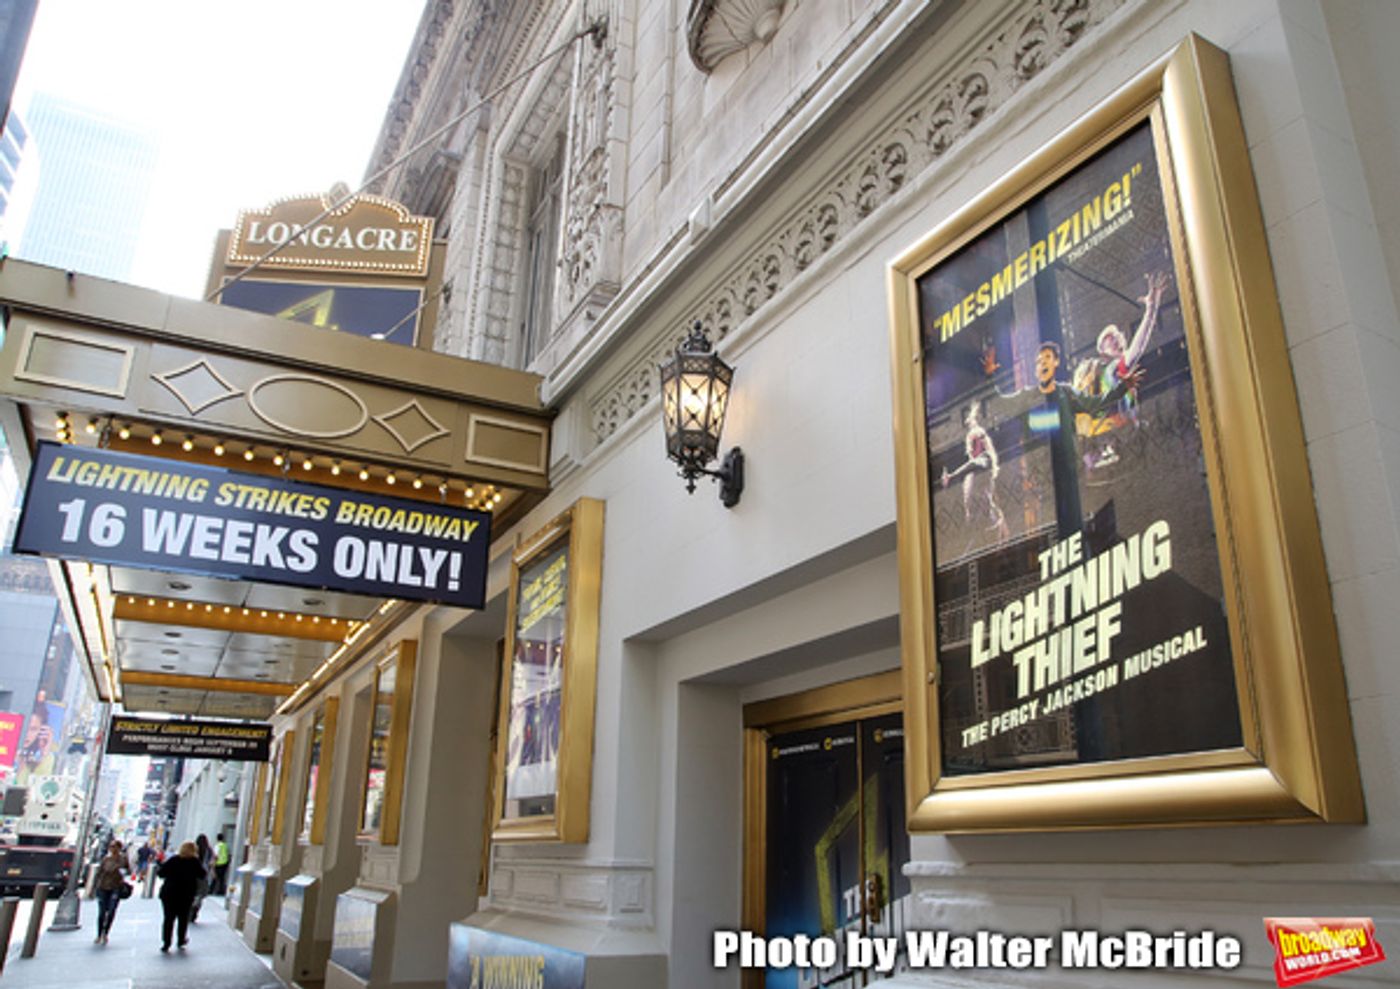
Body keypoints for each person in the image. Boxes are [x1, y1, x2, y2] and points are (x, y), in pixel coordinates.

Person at [940, 398, 1010, 551]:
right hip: (979, 518)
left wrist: (951, 476)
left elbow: (973, 463)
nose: (969, 450)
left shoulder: (984, 459)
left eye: (972, 444)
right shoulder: (977, 466)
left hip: (986, 518)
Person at [157, 841, 205, 952]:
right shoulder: (194, 862)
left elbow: (161, 873)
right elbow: (202, 875)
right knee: (183, 918)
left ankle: (166, 942)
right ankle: (181, 940)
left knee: (168, 918)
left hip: (169, 893)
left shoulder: (174, 860)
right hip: (186, 894)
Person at [92, 839, 130, 945]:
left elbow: (128, 870)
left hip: (116, 887)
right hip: (103, 887)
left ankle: (105, 933)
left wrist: (123, 873)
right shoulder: (106, 859)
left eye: (115, 846)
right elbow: (99, 873)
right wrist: (95, 886)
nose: (112, 849)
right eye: (111, 846)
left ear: (119, 848)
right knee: (102, 912)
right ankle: (99, 934)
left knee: (112, 910)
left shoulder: (122, 859)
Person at [190, 834, 212, 922]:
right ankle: (195, 911)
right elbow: (211, 861)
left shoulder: (194, 848)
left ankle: (190, 910)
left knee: (191, 894)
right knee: (199, 895)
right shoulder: (209, 850)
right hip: (203, 875)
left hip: (193, 875)